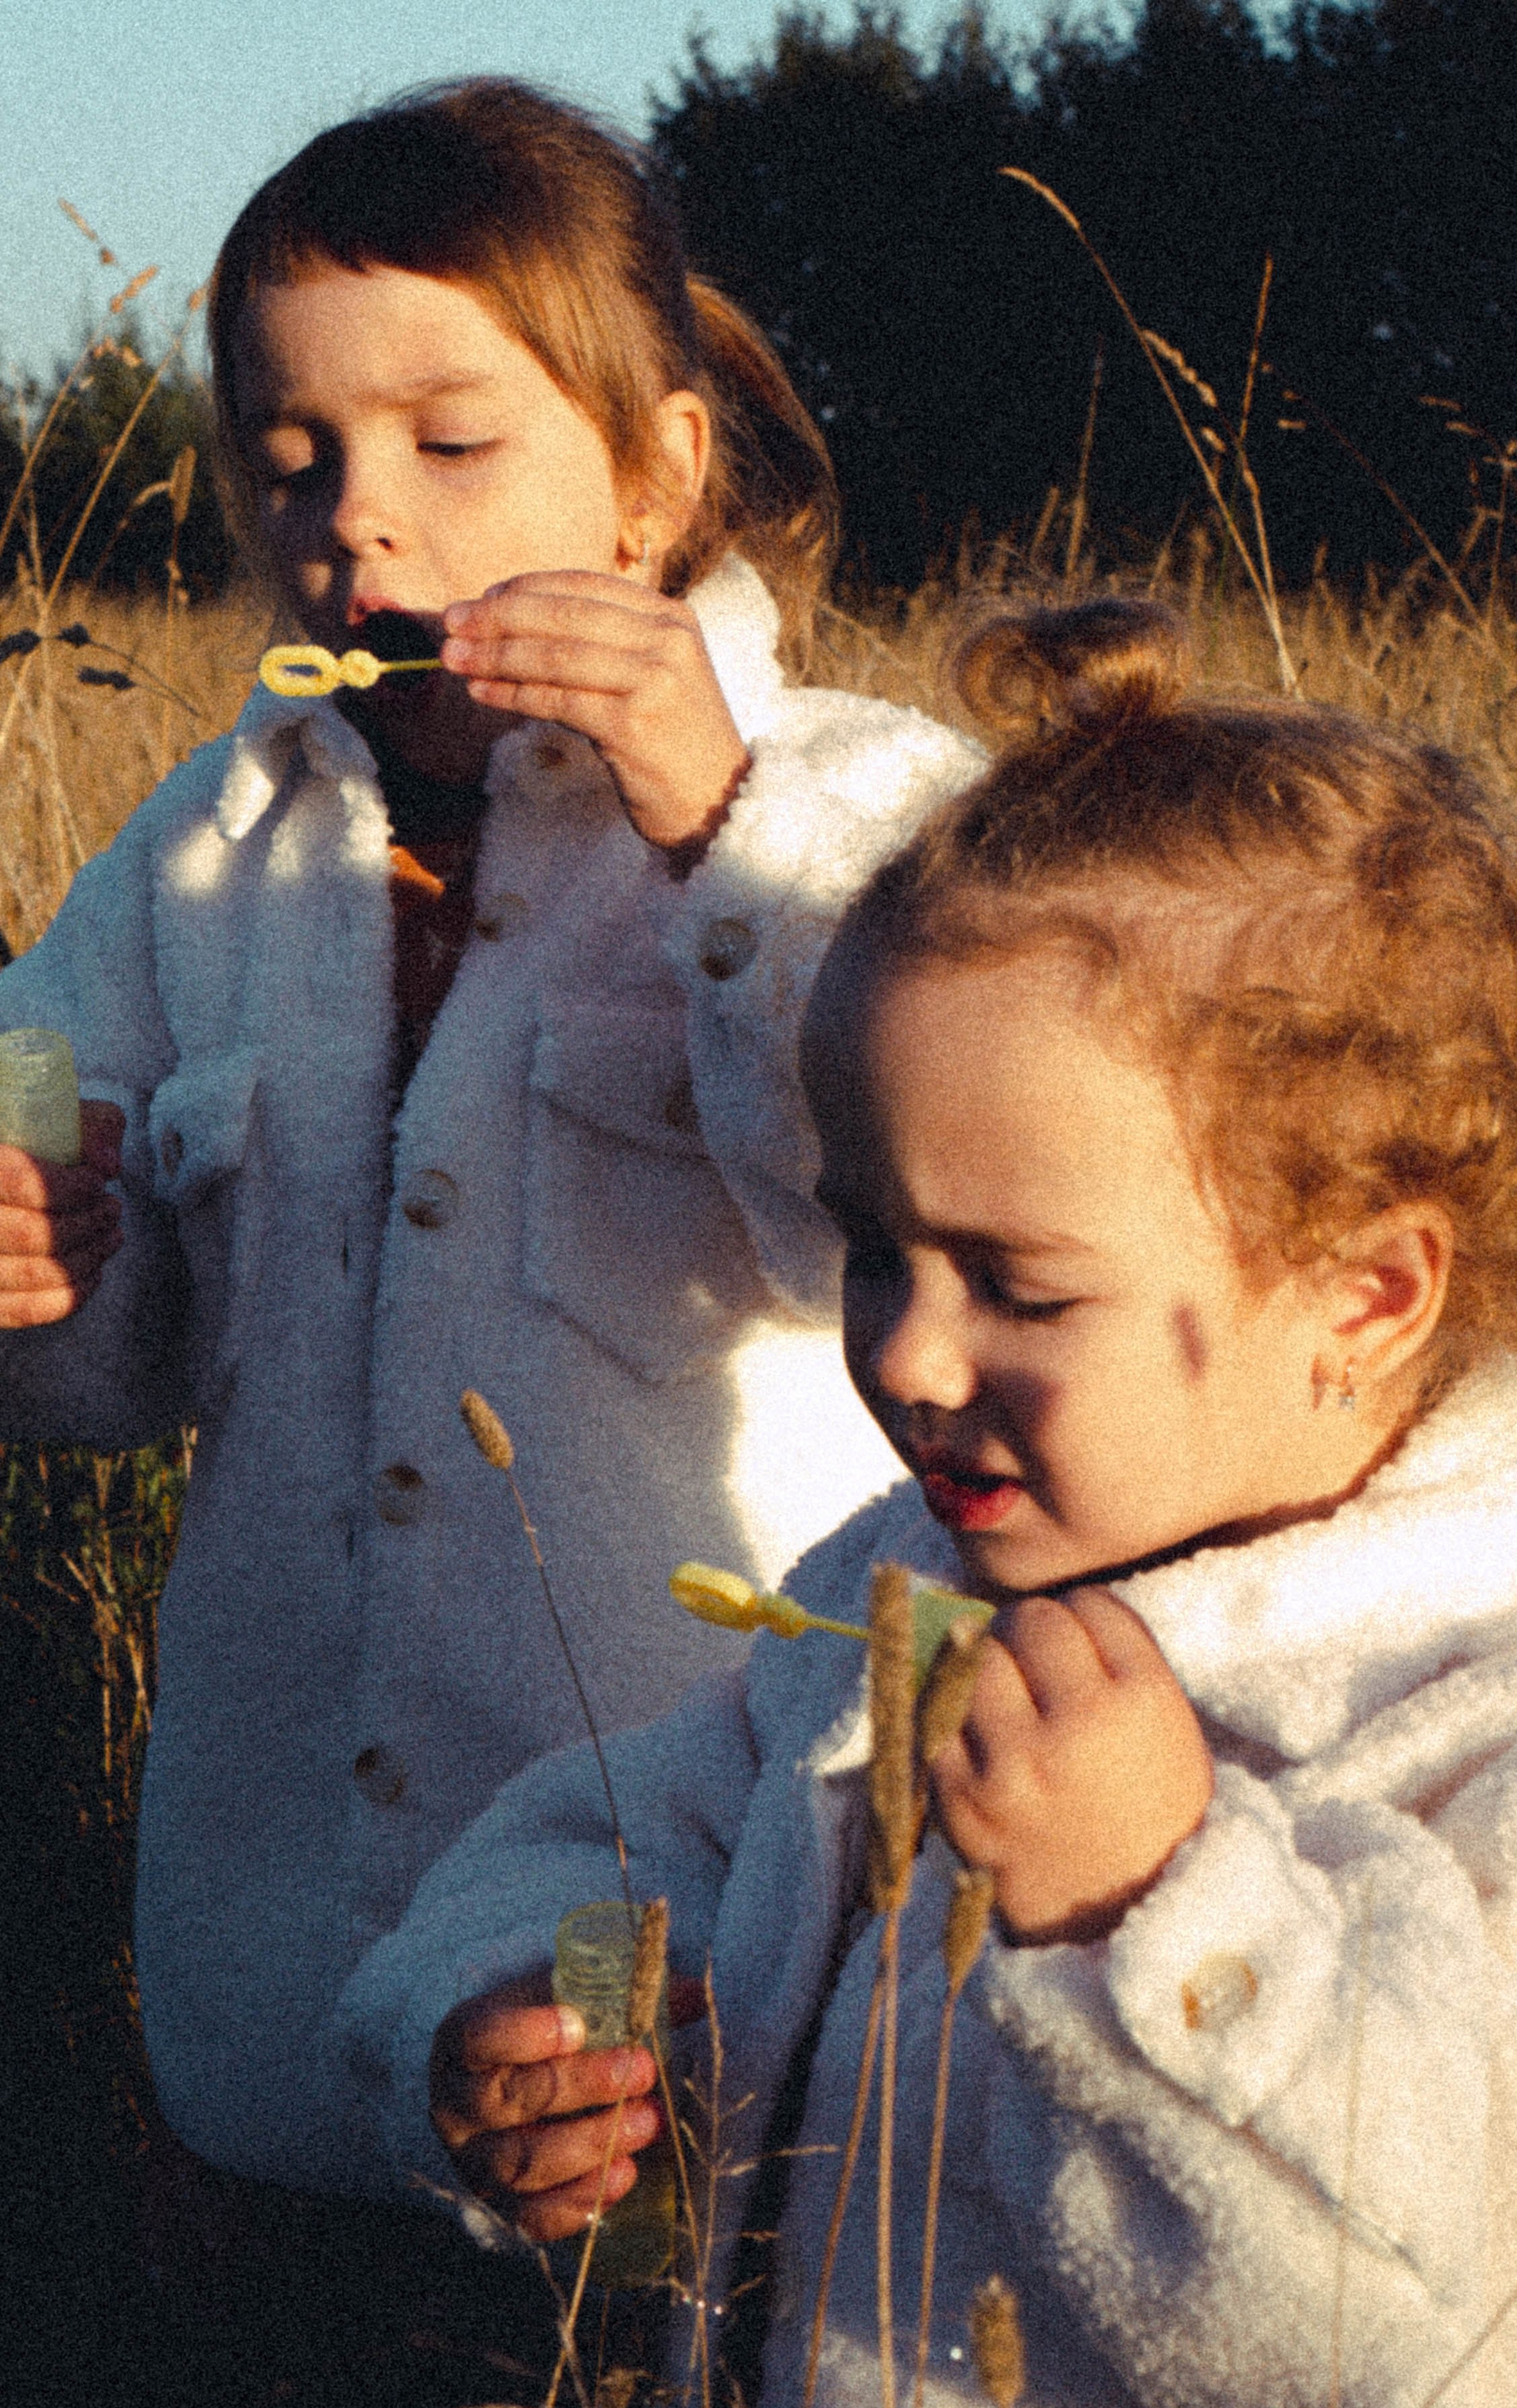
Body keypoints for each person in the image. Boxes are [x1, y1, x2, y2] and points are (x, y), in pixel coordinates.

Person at [348, 599, 1517, 2408]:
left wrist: (1166, 1925)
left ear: (1364, 1294)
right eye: (870, 1247)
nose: (908, 1354)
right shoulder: (888, 1607)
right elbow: (632, 1842)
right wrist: (546, 2009)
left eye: (1017, 1281)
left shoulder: (1511, 1724)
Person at [0, 80, 978, 2202]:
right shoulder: (203, 858)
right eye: (292, 457)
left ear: (656, 474)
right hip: (273, 1971)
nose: (360, 519)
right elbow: (106, 1371)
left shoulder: (860, 811)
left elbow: (902, 1228)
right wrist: (45, 1278)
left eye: (454, 445)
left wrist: (716, 827)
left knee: (621, 2367)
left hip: (687, 1900)